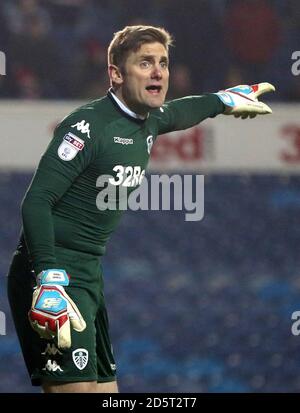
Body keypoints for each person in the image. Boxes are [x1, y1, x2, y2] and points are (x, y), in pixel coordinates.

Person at [7, 25, 275, 394]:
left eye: (163, 63)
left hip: (87, 274)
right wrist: (49, 278)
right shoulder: (87, 126)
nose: (158, 72)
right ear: (116, 74)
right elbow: (36, 201)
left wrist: (224, 100)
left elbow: (182, 112)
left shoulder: (150, 120)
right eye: (145, 63)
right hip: (53, 273)